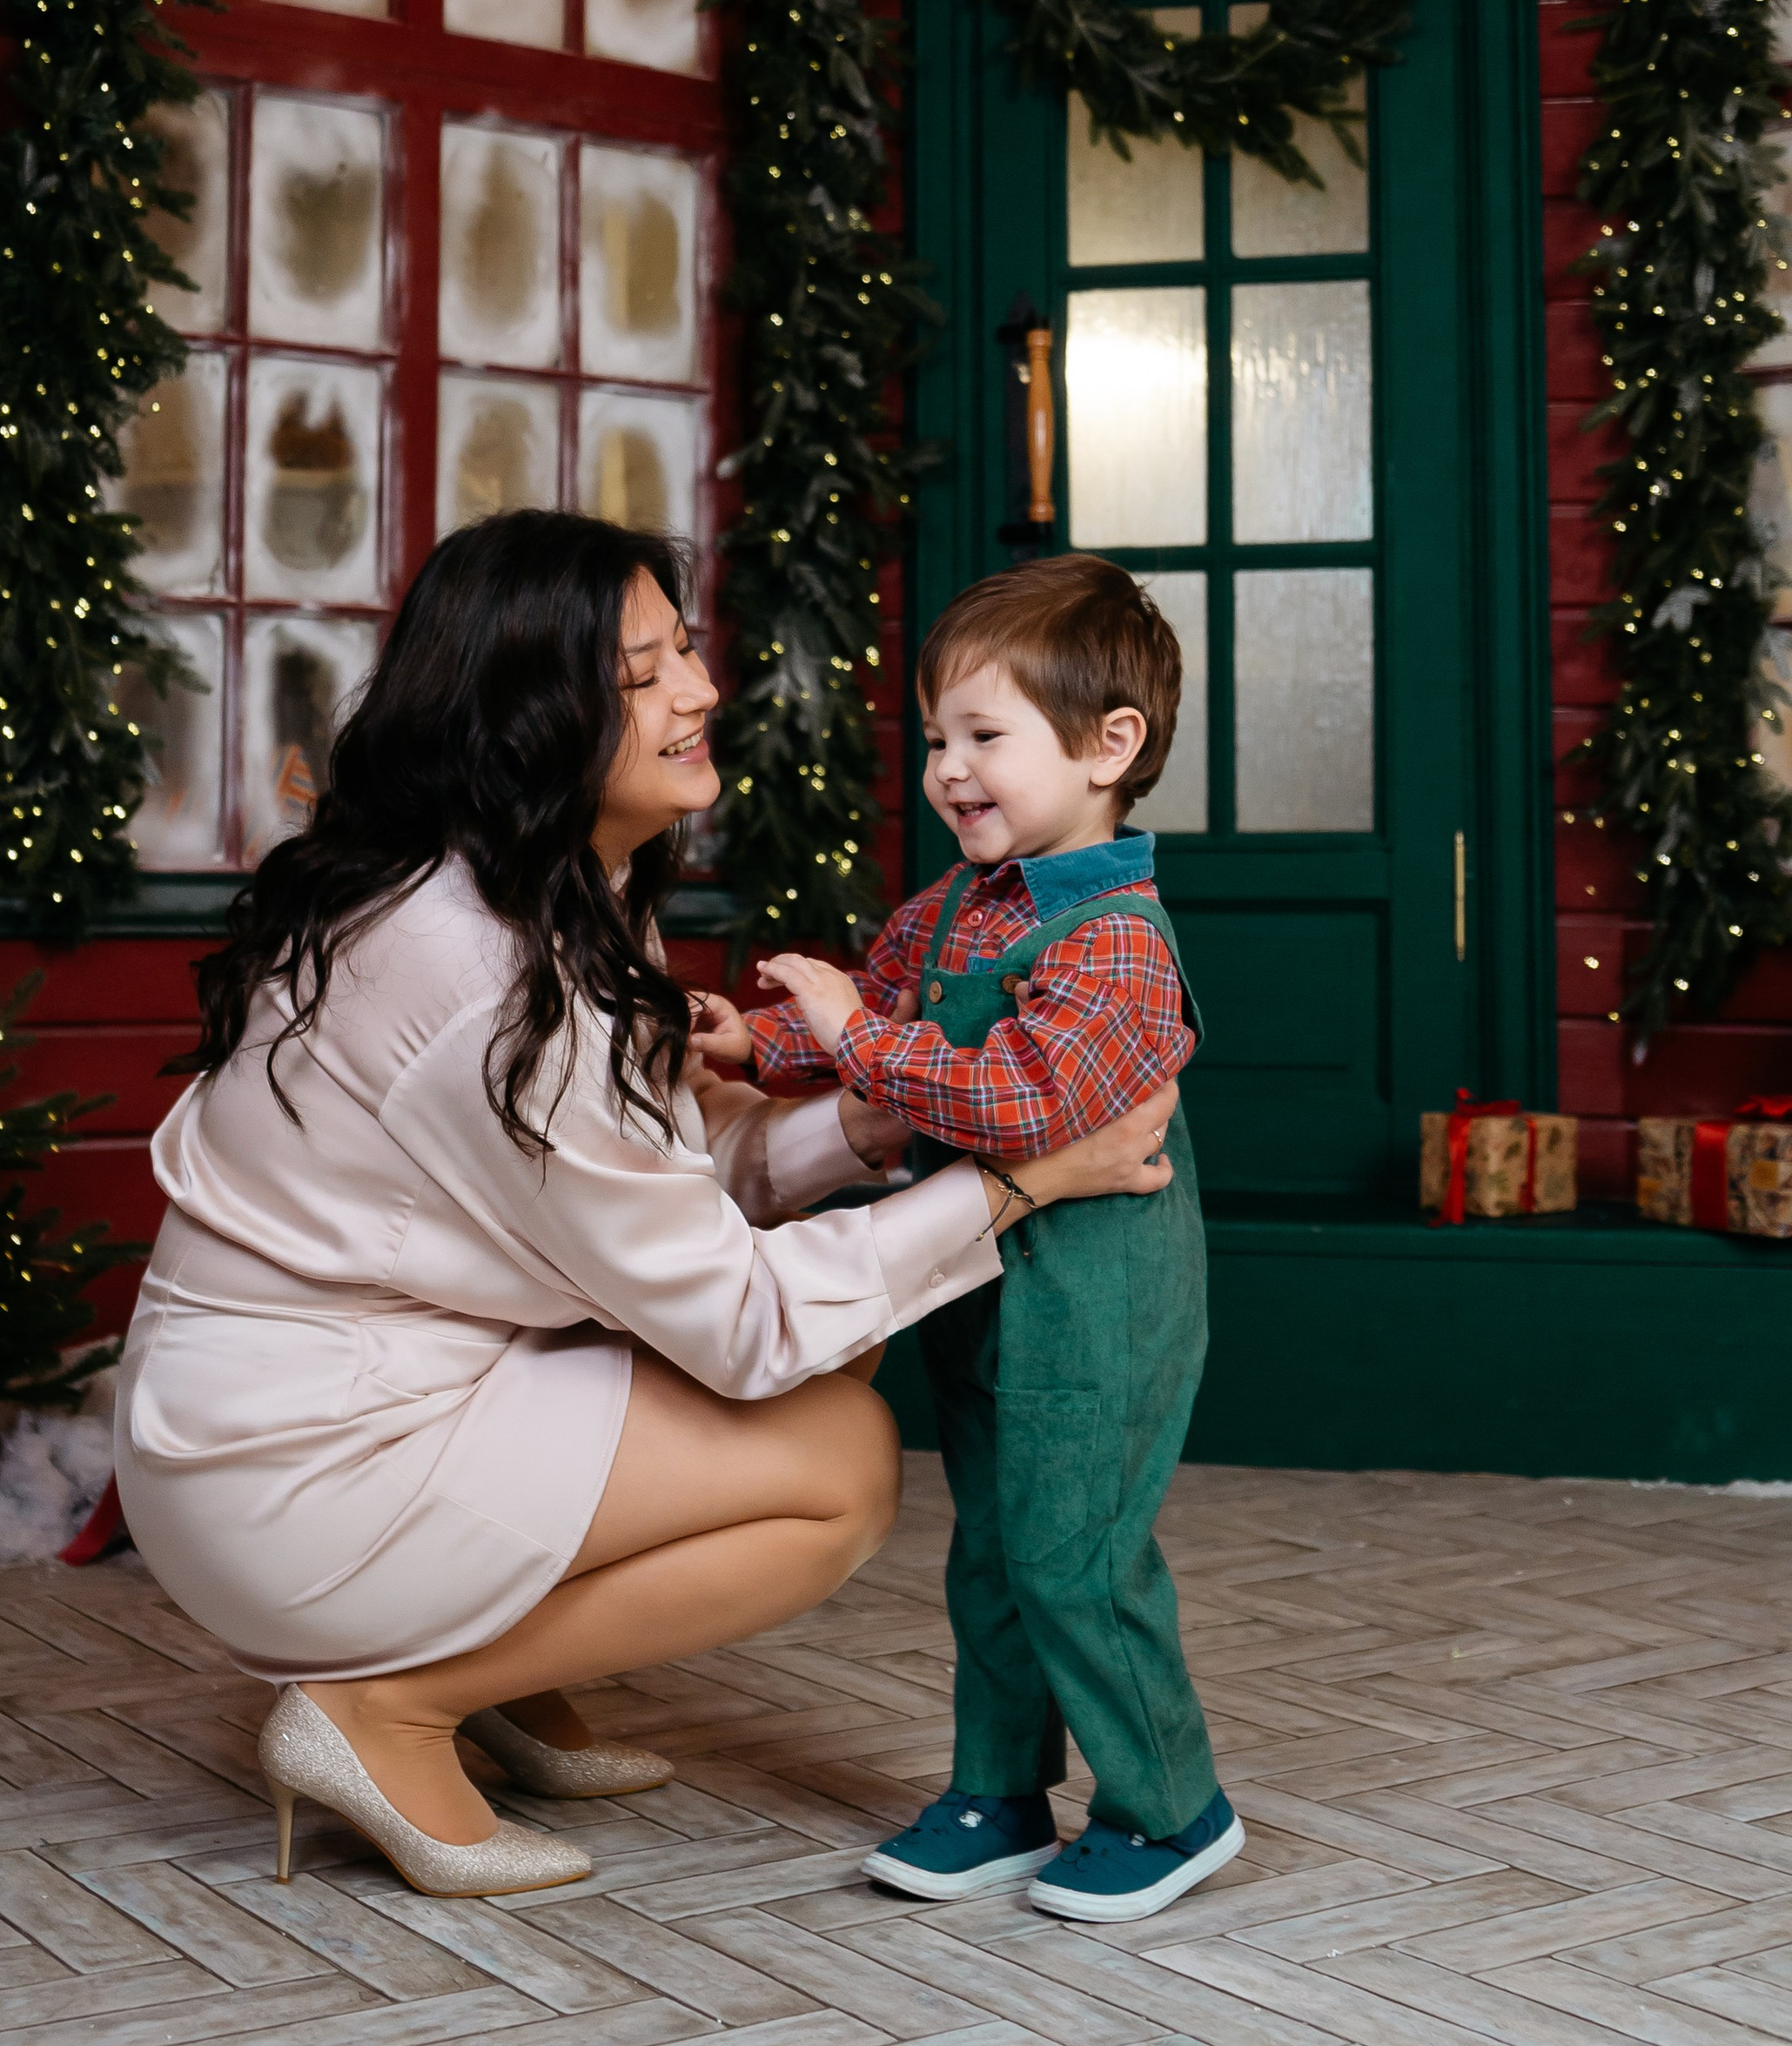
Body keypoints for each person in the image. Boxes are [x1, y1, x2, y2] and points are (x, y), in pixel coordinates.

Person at [113, 511, 1178, 1903]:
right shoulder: (485, 968)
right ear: (535, 712)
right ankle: (394, 1702)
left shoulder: (546, 884)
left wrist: (874, 1111)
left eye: (687, 647)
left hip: (388, 1378)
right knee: (837, 1464)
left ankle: (496, 1662)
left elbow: (653, 1196)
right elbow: (734, 1317)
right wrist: (1021, 1176)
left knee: (834, 1339)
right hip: (299, 1469)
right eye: (648, 668)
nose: (702, 689)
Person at [698, 552, 1238, 1924]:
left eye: (985, 736)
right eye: (938, 737)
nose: (950, 767)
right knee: (993, 1543)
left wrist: (855, 1035)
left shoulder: (1117, 939)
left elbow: (1026, 1099)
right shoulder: (952, 906)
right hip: (979, 1276)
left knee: (1076, 1552)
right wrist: (760, 1042)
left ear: (1111, 744)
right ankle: (999, 1788)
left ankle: (1172, 1804)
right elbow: (872, 1020)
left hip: (1101, 1296)